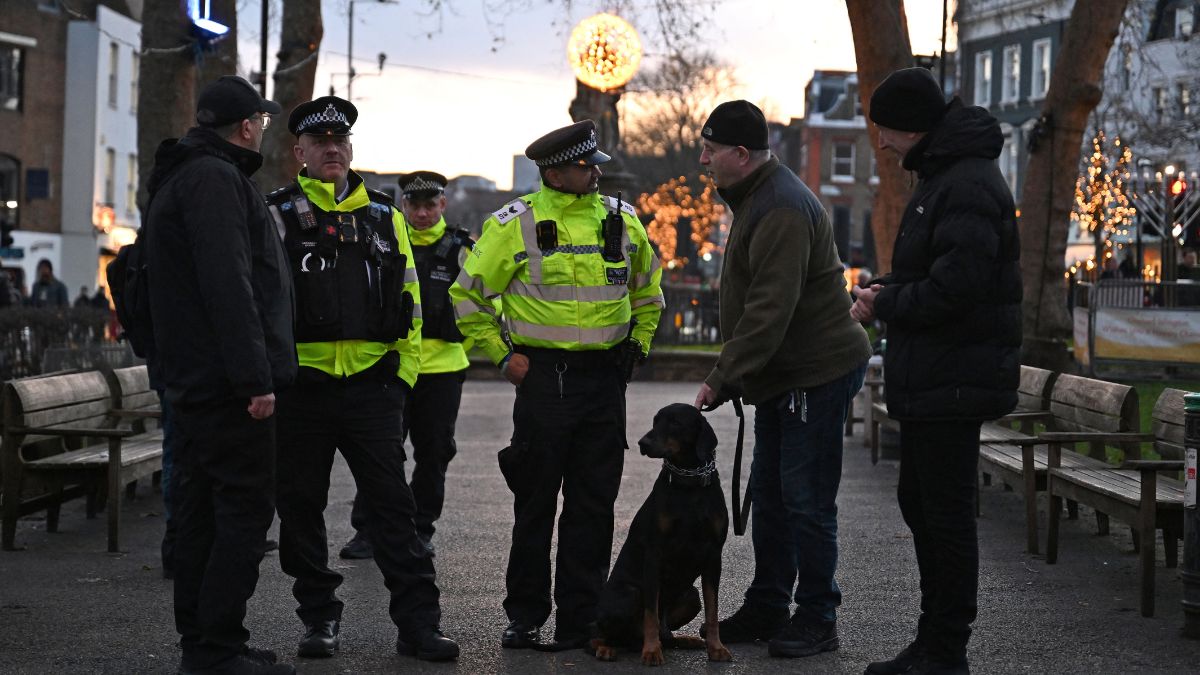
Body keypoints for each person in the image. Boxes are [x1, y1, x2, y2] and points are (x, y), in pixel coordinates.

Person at [449, 119, 664, 651]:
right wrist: (503, 357)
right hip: (544, 383)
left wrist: (637, 346)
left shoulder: (622, 220)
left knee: (593, 508)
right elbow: (467, 296)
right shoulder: (514, 223)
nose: (594, 172)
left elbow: (649, 293)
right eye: (584, 165)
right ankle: (524, 615)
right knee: (535, 505)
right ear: (554, 171)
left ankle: (581, 620)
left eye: (594, 165)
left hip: (602, 385)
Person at [265, 96, 458, 663]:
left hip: (373, 389)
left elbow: (411, 303)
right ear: (298, 151)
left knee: (394, 513)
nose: (332, 148)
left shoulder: (383, 215)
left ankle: (419, 626)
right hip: (302, 391)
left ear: (351, 149)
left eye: (340, 141)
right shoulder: (276, 214)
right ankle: (319, 617)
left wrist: (402, 375)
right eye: (320, 142)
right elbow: (261, 302)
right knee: (301, 511)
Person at [849, 67, 1021, 675]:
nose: (883, 144)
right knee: (922, 503)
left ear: (913, 128)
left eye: (886, 131)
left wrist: (888, 302)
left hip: (954, 380)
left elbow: (958, 289)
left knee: (943, 515)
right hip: (938, 378)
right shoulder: (944, 178)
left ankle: (944, 650)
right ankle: (933, 643)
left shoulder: (964, 183)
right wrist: (888, 289)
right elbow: (937, 274)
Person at [691, 100, 871, 659]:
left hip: (815, 372)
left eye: (711, 149)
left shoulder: (782, 208)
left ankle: (818, 615)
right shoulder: (759, 197)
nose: (703, 159)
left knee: (806, 500)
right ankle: (770, 604)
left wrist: (722, 377)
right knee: (771, 496)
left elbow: (770, 309)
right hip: (786, 375)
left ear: (741, 155)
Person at [143, 74, 297, 675]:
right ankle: (215, 646)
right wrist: (254, 379)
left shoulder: (186, 172)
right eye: (260, 121)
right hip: (224, 386)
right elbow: (228, 285)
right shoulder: (215, 178)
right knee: (241, 512)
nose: (262, 128)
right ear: (247, 126)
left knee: (206, 512)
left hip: (196, 378)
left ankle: (207, 644)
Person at [339, 171, 473, 560]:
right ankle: (368, 531)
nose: (422, 213)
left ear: (442, 205)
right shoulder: (386, 241)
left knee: (434, 453)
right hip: (392, 365)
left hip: (443, 368)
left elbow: (485, 298)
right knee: (380, 451)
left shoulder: (462, 247)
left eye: (430, 205)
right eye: (414, 205)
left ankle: (421, 529)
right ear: (404, 206)